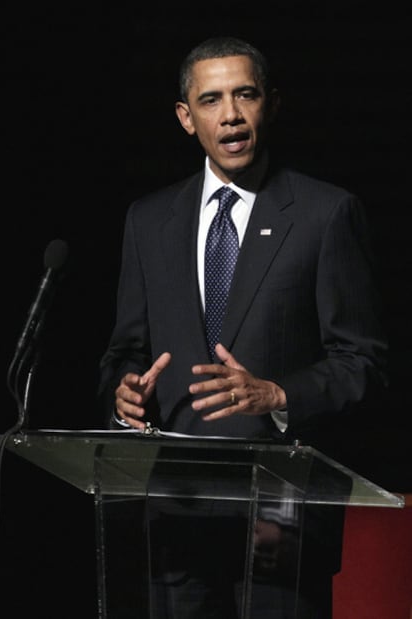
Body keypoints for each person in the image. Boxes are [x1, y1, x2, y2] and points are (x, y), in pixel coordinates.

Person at [98, 36, 388, 619]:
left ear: (270, 105)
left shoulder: (325, 213)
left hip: (282, 515)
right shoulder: (149, 220)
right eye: (210, 100)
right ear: (187, 117)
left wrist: (279, 394)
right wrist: (122, 395)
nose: (229, 114)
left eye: (244, 95)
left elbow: (365, 365)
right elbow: (124, 352)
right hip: (176, 512)